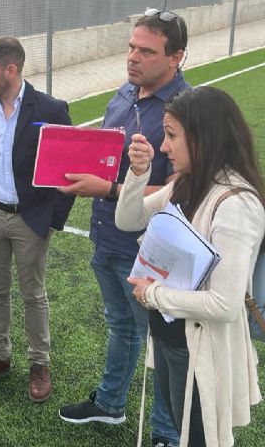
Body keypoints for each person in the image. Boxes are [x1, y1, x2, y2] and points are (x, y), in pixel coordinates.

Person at [58, 9, 189, 447]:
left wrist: (108, 188)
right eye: (131, 47)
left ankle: (166, 434)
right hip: (107, 236)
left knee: (162, 344)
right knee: (121, 326)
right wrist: (83, 147)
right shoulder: (125, 93)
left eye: (146, 51)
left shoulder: (184, 110)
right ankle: (111, 404)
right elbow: (112, 154)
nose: (133, 57)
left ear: (176, 58)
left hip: (148, 247)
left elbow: (177, 187)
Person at [117, 86, 264, 447]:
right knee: (183, 425)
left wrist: (153, 293)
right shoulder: (187, 182)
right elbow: (128, 218)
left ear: (202, 137)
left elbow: (225, 305)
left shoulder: (235, 204)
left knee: (199, 435)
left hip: (199, 346)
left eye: (171, 135)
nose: (164, 146)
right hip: (171, 335)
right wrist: (139, 172)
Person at [0, 36, 75, 402]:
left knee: (33, 294)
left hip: (31, 218)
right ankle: (0, 357)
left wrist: (52, 219)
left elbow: (68, 172)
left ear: (10, 70)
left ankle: (39, 364)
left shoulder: (51, 109)